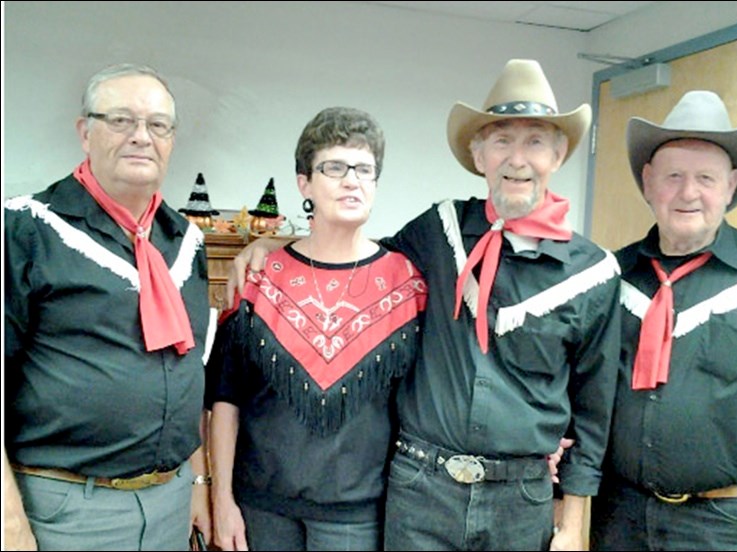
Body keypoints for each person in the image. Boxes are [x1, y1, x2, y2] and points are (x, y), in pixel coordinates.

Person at [228, 59, 622, 551]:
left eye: (535, 141)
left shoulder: (593, 273)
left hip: (520, 499)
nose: (517, 159)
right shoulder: (439, 232)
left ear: (559, 155)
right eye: (501, 140)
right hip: (420, 489)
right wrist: (268, 248)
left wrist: (573, 523)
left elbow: (593, 411)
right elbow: (347, 251)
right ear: (479, 155)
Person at [3, 63, 212, 550]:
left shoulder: (186, 243)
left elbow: (189, 379)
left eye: (157, 125)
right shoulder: (26, 229)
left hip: (170, 504)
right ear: (85, 132)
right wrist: (8, 522)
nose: (141, 136)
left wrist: (197, 485)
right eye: (120, 120)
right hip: (66, 510)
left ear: (171, 140)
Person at [205, 106, 428, 551]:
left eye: (365, 169)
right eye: (334, 168)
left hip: (359, 514)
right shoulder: (260, 280)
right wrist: (221, 499)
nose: (352, 180)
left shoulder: (408, 283)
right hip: (260, 508)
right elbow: (225, 400)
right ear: (304, 183)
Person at [589, 91, 737, 551]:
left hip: (724, 525)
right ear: (648, 183)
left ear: (731, 185)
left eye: (706, 178)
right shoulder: (608, 278)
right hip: (617, 518)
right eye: (673, 177)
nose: (688, 193)